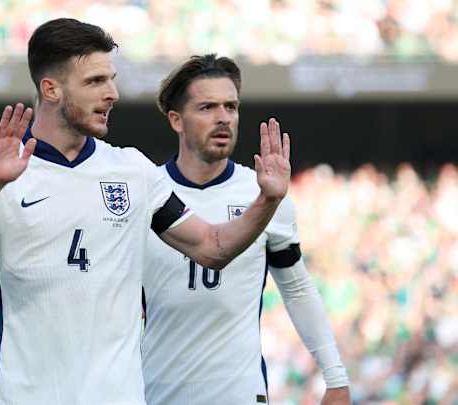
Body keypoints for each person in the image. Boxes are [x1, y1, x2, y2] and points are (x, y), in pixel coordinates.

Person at [0, 18, 290, 405]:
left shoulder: (132, 170)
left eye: (111, 79)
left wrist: (267, 201)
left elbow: (212, 247)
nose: (113, 93)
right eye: (95, 81)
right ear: (50, 89)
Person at [140, 54, 351, 405]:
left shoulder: (265, 193)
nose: (223, 117)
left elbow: (296, 287)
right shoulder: (146, 191)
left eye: (231, 106)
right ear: (176, 120)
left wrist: (336, 376)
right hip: (156, 392)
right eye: (207, 107)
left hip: (240, 393)